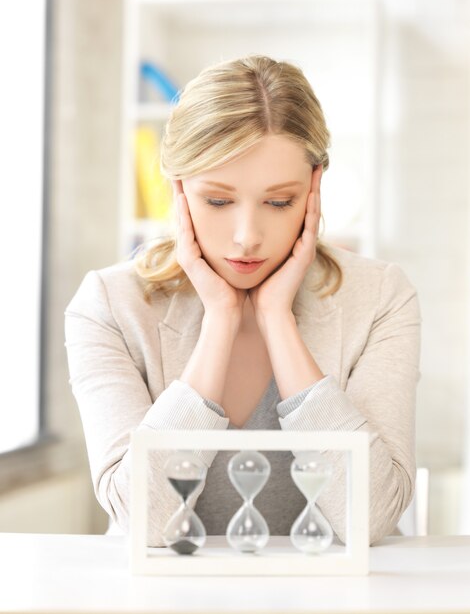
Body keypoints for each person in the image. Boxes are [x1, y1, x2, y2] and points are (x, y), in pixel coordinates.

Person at [64, 54, 421, 547]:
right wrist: (220, 321)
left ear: (315, 187)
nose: (247, 237)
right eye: (217, 200)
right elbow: (143, 521)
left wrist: (278, 319)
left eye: (279, 202)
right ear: (179, 189)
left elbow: (371, 517)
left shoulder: (381, 296)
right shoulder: (109, 305)